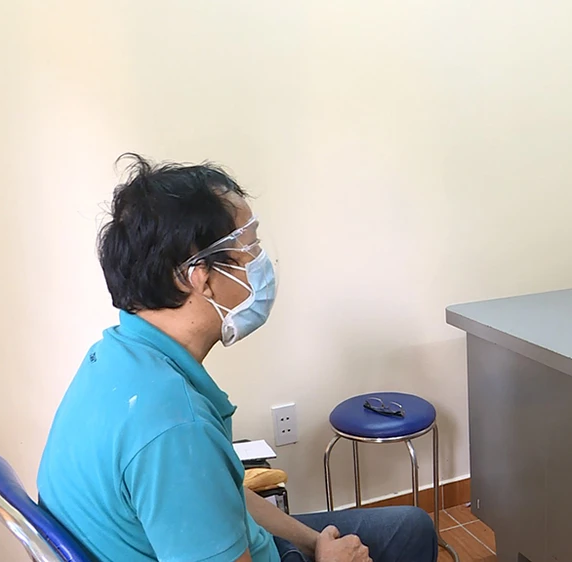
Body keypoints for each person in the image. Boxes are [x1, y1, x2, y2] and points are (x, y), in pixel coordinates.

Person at [37, 154, 437, 562]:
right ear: (199, 277)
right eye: (250, 248)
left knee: (410, 527)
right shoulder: (175, 429)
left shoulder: (114, 357)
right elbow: (187, 462)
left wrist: (314, 541)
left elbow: (221, 491)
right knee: (410, 536)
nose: (261, 264)